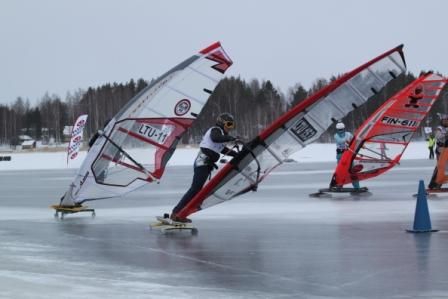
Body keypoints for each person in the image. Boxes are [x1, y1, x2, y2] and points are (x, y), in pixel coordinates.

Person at [170, 113, 239, 223]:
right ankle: (176, 212)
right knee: (195, 189)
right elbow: (215, 138)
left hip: (207, 165)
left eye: (231, 125)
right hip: (202, 163)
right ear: (222, 122)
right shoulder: (215, 130)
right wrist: (231, 138)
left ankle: (181, 214)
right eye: (228, 124)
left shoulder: (221, 135)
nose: (229, 128)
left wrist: (235, 154)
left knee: (197, 190)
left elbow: (222, 149)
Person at [333, 122, 360, 190]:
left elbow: (355, 140)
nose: (340, 131)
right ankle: (339, 185)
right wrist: (348, 141)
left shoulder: (348, 134)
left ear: (344, 128)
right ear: (337, 130)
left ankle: (357, 187)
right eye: (339, 129)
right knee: (341, 171)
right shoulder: (336, 135)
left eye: (341, 129)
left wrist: (358, 142)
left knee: (352, 171)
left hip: (348, 154)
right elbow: (340, 141)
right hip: (340, 154)